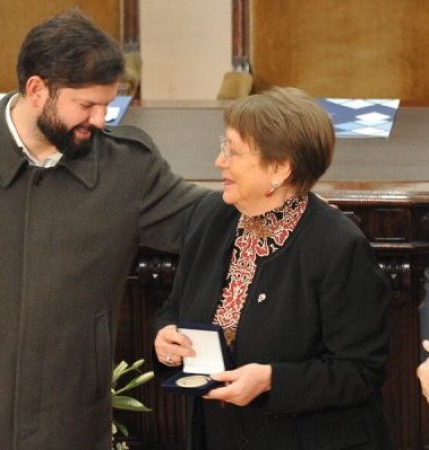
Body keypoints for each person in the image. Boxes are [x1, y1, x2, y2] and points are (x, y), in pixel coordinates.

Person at [0, 9, 205, 450]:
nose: (100, 119)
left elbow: (208, 226)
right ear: (37, 90)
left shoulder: (129, 168)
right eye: (86, 105)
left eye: (107, 104)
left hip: (69, 424)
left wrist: (272, 183)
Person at [153, 87, 393, 449]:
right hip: (220, 434)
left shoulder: (337, 247)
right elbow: (175, 306)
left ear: (280, 168)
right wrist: (165, 335)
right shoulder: (209, 216)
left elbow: (360, 371)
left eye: (232, 151)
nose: (219, 162)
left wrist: (271, 380)